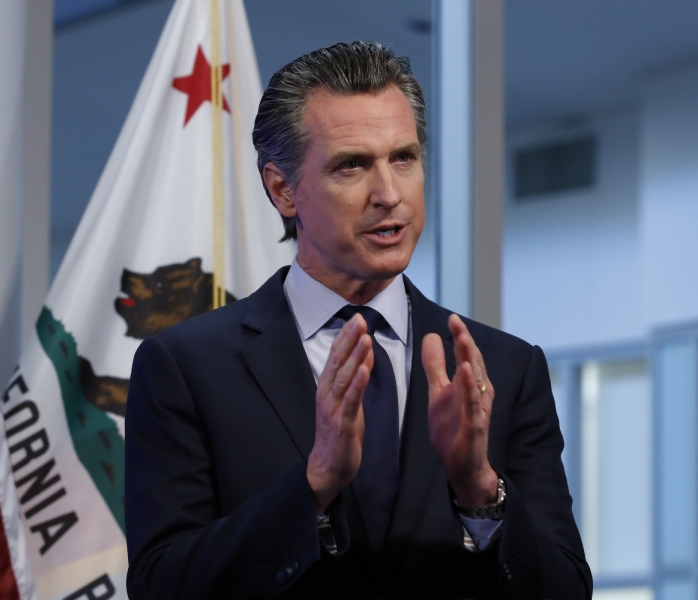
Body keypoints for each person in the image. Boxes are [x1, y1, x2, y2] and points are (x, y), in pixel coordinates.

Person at [125, 41, 591, 599]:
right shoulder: (186, 367)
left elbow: (566, 590)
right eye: (352, 165)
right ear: (283, 189)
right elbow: (162, 586)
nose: (389, 194)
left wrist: (479, 490)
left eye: (404, 158)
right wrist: (314, 484)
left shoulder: (508, 368)